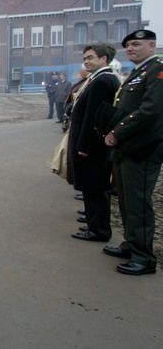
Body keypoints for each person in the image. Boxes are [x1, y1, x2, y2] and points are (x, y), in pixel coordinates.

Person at [103, 29, 163, 275]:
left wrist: (117, 131)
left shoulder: (157, 71)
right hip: (127, 147)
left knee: (138, 202)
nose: (130, 49)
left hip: (143, 148)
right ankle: (131, 243)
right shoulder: (138, 72)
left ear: (152, 45)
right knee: (127, 201)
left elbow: (150, 110)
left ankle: (144, 257)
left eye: (136, 44)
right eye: (127, 45)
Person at [69, 43, 120, 242]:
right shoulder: (99, 78)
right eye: (85, 58)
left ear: (104, 59)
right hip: (95, 144)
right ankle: (93, 221)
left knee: (95, 186)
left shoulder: (102, 81)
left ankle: (98, 230)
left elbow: (93, 117)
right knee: (92, 187)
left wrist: (83, 145)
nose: (86, 61)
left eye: (90, 57)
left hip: (93, 146)